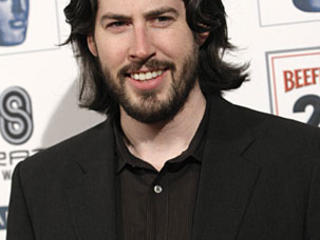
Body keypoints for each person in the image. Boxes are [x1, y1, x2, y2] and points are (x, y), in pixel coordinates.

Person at [6, 0, 320, 239]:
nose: (141, 49)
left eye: (160, 19)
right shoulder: (39, 187)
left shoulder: (302, 161)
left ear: (200, 28)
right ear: (92, 41)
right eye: (118, 24)